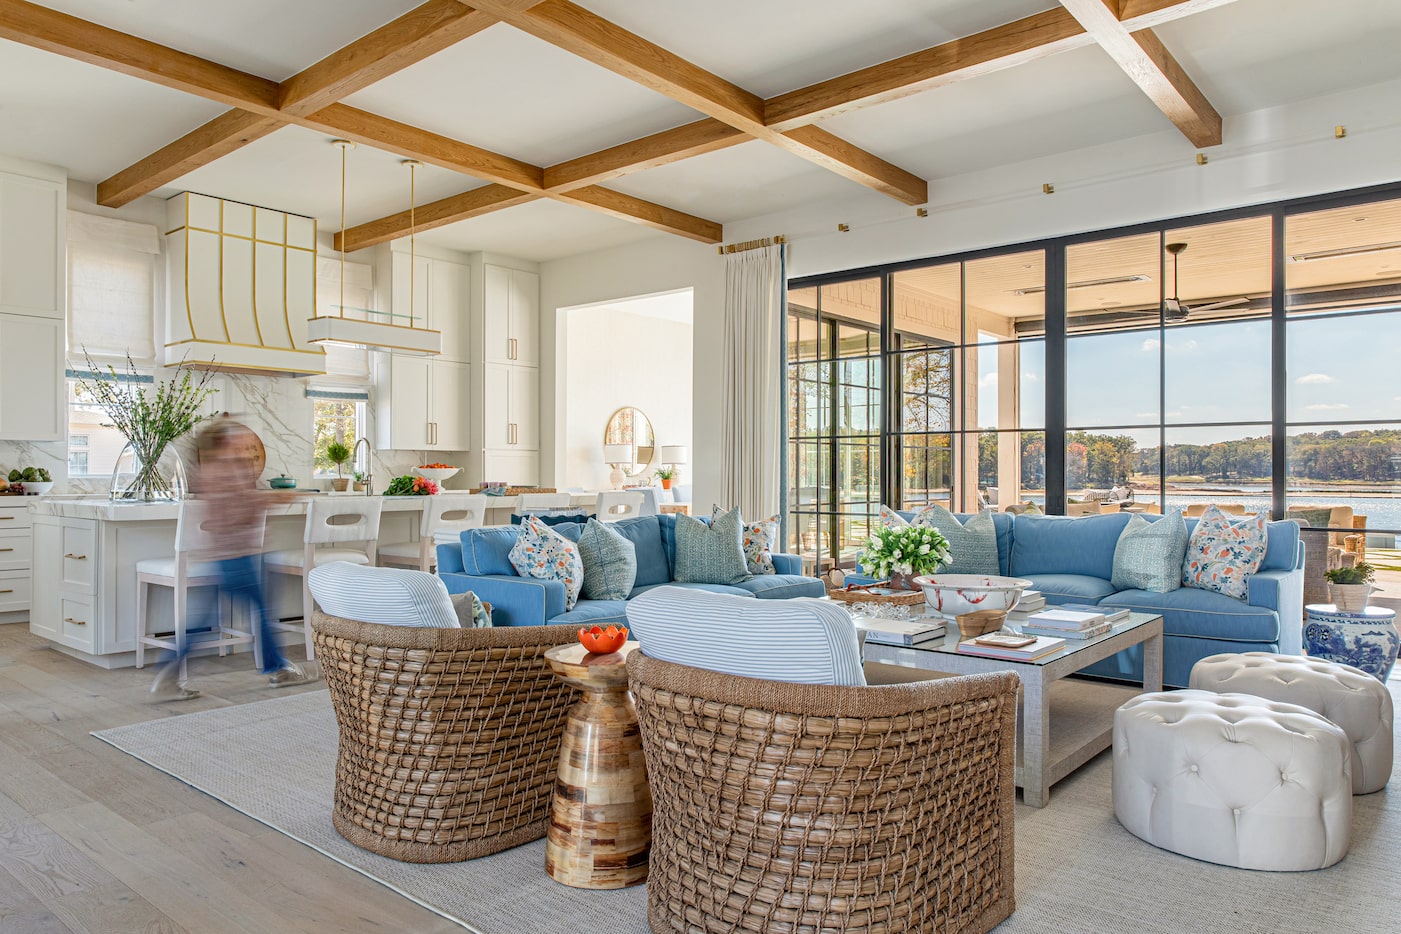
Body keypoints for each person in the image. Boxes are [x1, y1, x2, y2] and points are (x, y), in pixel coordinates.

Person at [150, 418, 313, 700]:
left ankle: (170, 672)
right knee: (252, 614)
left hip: (234, 555)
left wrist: (264, 498)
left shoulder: (222, 468)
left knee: (217, 617)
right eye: (239, 438)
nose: (245, 443)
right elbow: (238, 511)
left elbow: (242, 503)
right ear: (224, 442)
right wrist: (271, 500)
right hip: (238, 555)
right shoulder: (223, 470)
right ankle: (277, 669)